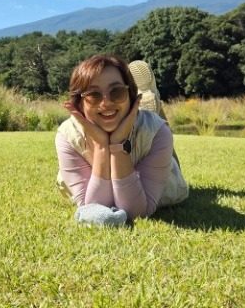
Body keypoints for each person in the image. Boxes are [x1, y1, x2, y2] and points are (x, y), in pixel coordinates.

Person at [56, 54, 188, 226]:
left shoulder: (157, 133)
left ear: (132, 96)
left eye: (117, 92)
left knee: (160, 139)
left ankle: (151, 118)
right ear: (78, 103)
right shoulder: (68, 135)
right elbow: (94, 208)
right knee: (154, 133)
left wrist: (117, 146)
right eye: (94, 95)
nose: (106, 103)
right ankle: (151, 112)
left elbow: (136, 212)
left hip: (151, 155)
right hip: (140, 144)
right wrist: (103, 147)